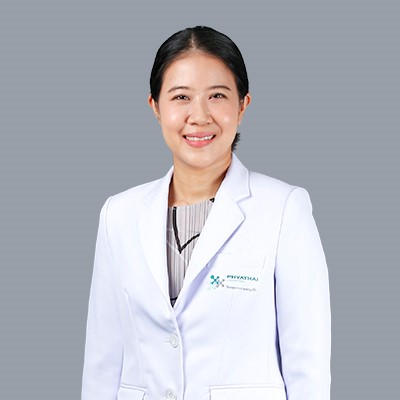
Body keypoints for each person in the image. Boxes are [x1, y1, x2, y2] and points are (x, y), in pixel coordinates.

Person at [81, 26, 331, 400]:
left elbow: (307, 365)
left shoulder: (283, 209)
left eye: (217, 95)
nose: (198, 116)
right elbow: (102, 362)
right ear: (155, 106)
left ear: (242, 105)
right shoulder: (118, 214)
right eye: (181, 96)